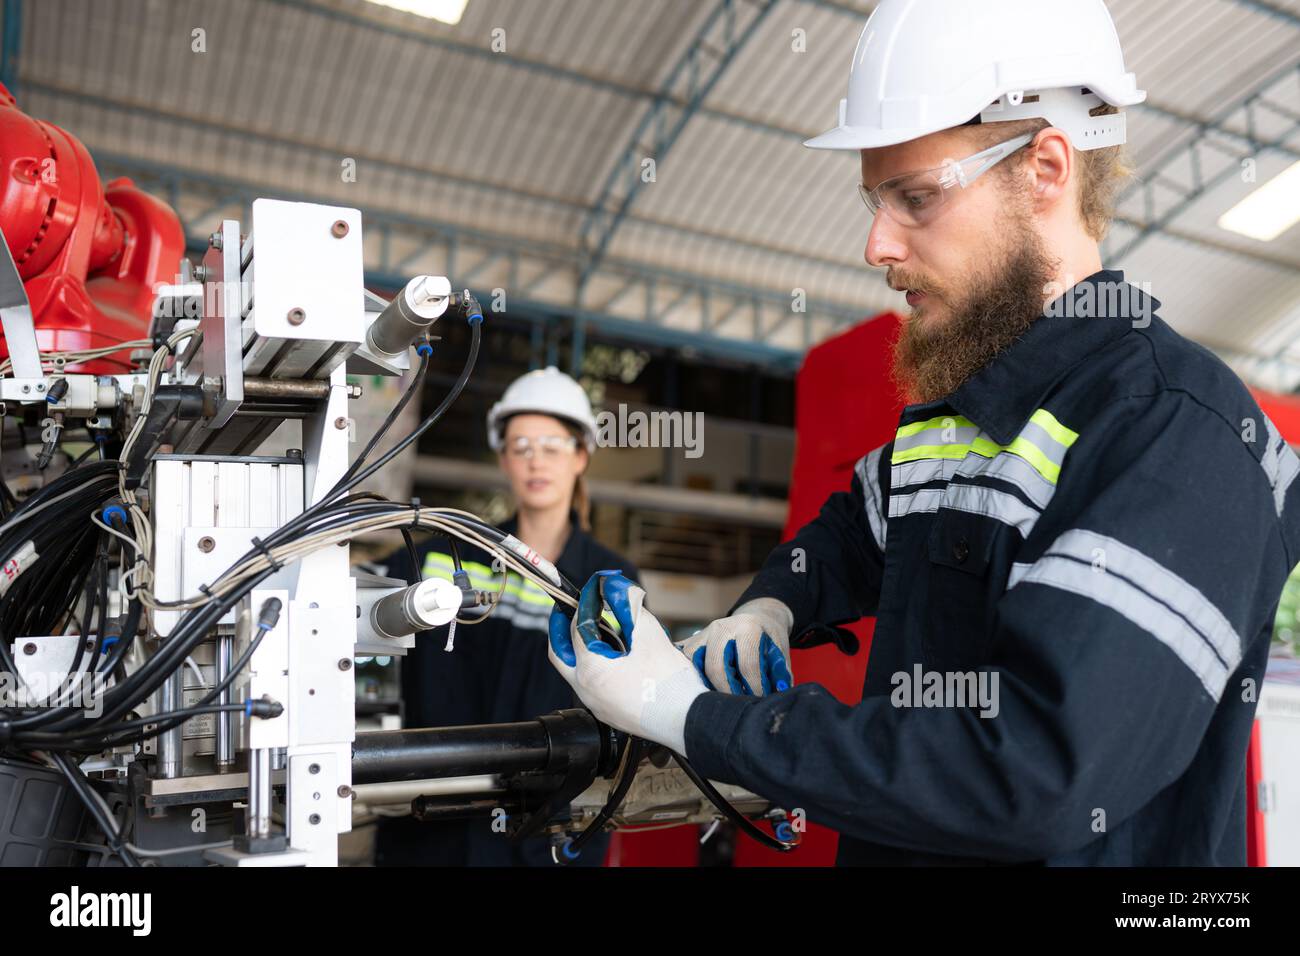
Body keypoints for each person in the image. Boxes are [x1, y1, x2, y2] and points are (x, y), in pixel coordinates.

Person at [547, 0, 1300, 865]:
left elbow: (1025, 775)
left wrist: (690, 715)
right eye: (875, 199)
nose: (876, 244)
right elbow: (855, 531)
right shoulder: (964, 408)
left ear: (1045, 168)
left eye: (915, 196)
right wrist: (771, 607)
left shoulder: (1180, 437)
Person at [375, 366, 637, 866]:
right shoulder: (445, 557)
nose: (536, 460)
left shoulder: (609, 582)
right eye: (521, 446)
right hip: (435, 826)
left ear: (580, 456)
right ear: (503, 458)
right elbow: (352, 599)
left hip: (545, 832)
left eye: (552, 445)